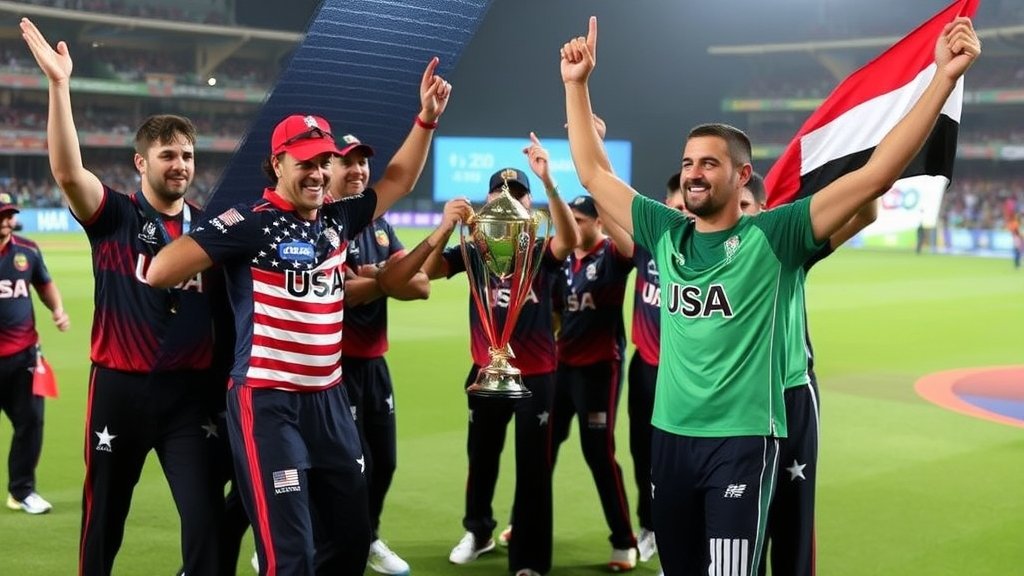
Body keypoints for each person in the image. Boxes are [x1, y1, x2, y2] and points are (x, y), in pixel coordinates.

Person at [560, 15, 979, 575]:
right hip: (670, 438)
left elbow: (875, 175)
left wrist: (943, 78)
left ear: (742, 176)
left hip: (742, 443)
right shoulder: (664, 230)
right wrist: (577, 85)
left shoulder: (776, 235)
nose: (694, 173)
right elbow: (592, 173)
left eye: (709, 163)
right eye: (688, 163)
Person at [146, 56, 451, 576]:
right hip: (268, 402)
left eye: (323, 162)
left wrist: (426, 119)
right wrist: (219, 244)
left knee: (351, 540)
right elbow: (160, 271)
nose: (317, 173)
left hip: (329, 400)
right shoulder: (250, 223)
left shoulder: (339, 217)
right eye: (305, 163)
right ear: (278, 164)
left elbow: (398, 180)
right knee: (291, 555)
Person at [21, 18, 230, 575]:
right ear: (142, 162)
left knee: (206, 520)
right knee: (104, 518)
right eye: (168, 155)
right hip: (120, 390)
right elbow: (68, 172)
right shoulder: (115, 216)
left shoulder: (210, 231)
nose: (180, 165)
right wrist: (59, 85)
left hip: (190, 398)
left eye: (187, 155)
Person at [738, 174, 877, 576]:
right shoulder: (710, 254)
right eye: (735, 207)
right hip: (739, 403)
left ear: (764, 209)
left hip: (792, 394)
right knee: (742, 523)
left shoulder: (787, 246)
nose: (740, 216)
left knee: (793, 521)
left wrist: (859, 158)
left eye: (746, 206)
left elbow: (865, 213)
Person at [328, 133, 432, 576]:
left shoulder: (381, 225)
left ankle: (368, 536)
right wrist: (388, 277)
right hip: (334, 366)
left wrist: (376, 277)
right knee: (349, 465)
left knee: (384, 461)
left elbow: (421, 285)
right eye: (347, 162)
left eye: (363, 163)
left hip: (375, 361)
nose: (358, 171)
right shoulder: (328, 222)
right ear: (328, 169)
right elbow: (347, 294)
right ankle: (318, 539)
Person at [549, 194, 638, 571]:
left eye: (581, 219)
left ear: (599, 222)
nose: (573, 224)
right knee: (541, 450)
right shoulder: (562, 258)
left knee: (598, 454)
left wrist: (605, 197)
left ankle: (624, 542)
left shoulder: (611, 255)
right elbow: (556, 311)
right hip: (560, 368)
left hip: (600, 370)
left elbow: (630, 249)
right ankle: (525, 524)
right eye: (570, 218)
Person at [625, 172, 687, 566]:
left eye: (687, 208)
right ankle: (649, 525)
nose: (682, 214)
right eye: (675, 207)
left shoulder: (703, 250)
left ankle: (679, 541)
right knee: (641, 452)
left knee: (679, 461)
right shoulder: (649, 244)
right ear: (666, 206)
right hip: (645, 368)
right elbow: (612, 207)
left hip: (684, 376)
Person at [0, 194, 70, 515]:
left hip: (25, 356)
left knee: (31, 423)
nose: (6, 221)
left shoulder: (27, 251)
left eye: (9, 215)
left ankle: (22, 491)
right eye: (1, 216)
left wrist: (57, 310)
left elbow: (44, 284)